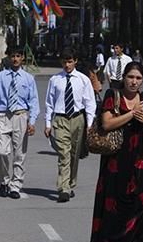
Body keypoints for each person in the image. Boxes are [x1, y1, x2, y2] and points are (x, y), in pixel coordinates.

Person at [90, 62, 143, 242]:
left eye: (138, 78)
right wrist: (131, 114)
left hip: (141, 159)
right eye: (130, 77)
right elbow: (106, 124)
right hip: (116, 160)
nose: (134, 82)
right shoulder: (113, 95)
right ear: (124, 77)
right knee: (115, 209)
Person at [0, 48, 39, 199]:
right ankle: (4, 182)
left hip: (20, 115)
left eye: (18, 56)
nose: (15, 59)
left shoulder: (28, 78)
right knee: (1, 151)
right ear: (8, 58)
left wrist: (32, 121)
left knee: (19, 154)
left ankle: (16, 186)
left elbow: (33, 101)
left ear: (22, 58)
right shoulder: (0, 77)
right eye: (13, 56)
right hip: (3, 116)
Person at [44, 49, 96, 202]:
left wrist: (90, 123)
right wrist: (48, 123)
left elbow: (89, 102)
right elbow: (49, 103)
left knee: (74, 154)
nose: (67, 65)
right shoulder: (55, 80)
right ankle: (63, 188)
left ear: (75, 61)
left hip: (77, 119)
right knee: (63, 154)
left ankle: (71, 183)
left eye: (70, 61)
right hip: (60, 119)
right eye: (64, 62)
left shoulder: (83, 79)